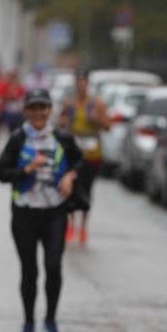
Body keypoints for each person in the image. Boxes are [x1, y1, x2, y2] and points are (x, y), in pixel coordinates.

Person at [0, 88, 83, 332]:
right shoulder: (18, 138)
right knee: (30, 271)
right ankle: (28, 323)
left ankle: (51, 320)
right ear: (26, 111)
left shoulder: (62, 138)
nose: (38, 113)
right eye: (33, 108)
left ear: (49, 110)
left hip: (55, 212)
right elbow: (1, 172)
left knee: (53, 266)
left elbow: (80, 162)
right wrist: (25, 170)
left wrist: (69, 176)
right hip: (24, 213)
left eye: (42, 107)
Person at [58, 70, 110, 244]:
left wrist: (98, 119)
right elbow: (60, 121)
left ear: (88, 84)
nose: (81, 86)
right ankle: (70, 224)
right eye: (78, 82)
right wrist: (64, 122)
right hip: (73, 153)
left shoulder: (97, 104)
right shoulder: (70, 103)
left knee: (87, 189)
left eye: (84, 82)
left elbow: (108, 126)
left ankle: (83, 226)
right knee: (70, 187)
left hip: (92, 153)